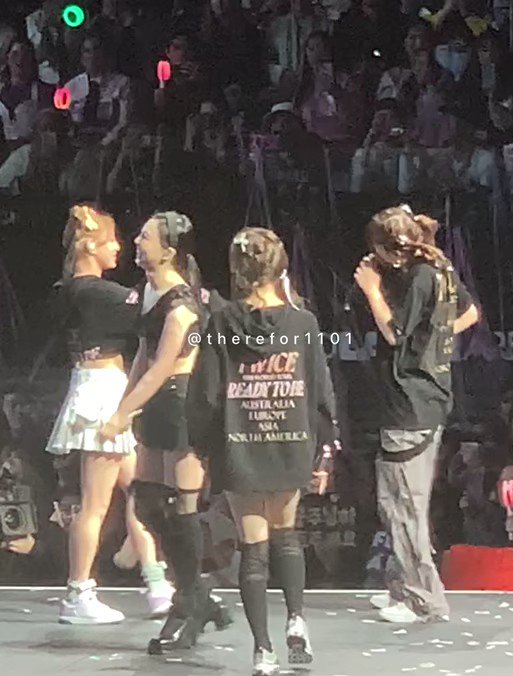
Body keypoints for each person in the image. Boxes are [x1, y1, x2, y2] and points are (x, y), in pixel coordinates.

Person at [187, 227, 335, 676]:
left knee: (253, 548)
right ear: (281, 267)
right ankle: (296, 619)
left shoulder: (220, 324)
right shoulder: (303, 324)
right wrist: (324, 447)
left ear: (237, 269)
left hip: (240, 446)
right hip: (291, 442)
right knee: (286, 535)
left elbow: (206, 394)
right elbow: (320, 391)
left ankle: (263, 650)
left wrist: (202, 447)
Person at [101, 211, 231, 654]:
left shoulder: (181, 306)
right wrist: (125, 407)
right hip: (154, 407)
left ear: (169, 250)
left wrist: (122, 413)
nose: (137, 241)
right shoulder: (147, 293)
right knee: (148, 500)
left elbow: (162, 367)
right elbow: (143, 354)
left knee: (181, 504)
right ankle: (196, 591)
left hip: (180, 405)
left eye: (145, 236)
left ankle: (189, 600)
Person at [46, 204, 172, 624]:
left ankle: (156, 582)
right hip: (101, 394)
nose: (118, 248)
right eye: (112, 241)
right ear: (91, 246)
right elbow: (152, 311)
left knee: (140, 492)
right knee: (96, 504)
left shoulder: (73, 290)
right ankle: (78, 592)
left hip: (106, 386)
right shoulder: (94, 292)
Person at [354, 206, 479, 623]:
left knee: (405, 504)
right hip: (424, 398)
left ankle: (422, 599)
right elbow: (470, 313)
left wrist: (372, 291)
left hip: (410, 403)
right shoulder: (440, 268)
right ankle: (401, 584)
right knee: (394, 501)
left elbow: (394, 333)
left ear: (388, 250)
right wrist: (433, 336)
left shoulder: (420, 277)